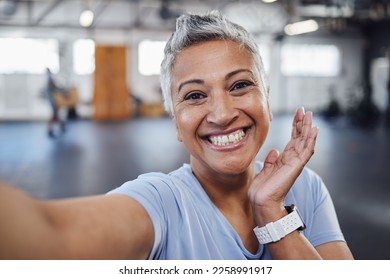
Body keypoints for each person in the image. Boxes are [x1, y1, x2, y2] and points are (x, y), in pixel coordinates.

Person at [0, 11, 353, 260]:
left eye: (241, 85)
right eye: (195, 95)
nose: (222, 113)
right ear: (174, 120)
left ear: (267, 97)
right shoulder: (160, 204)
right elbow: (51, 239)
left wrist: (272, 210)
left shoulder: (306, 188)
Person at [45, 67, 66, 137]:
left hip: (52, 98)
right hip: (52, 99)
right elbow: (54, 86)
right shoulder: (50, 78)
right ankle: (50, 129)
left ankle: (62, 126)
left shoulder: (48, 78)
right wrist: (61, 88)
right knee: (55, 114)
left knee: (56, 114)